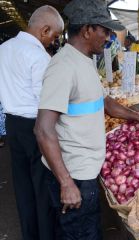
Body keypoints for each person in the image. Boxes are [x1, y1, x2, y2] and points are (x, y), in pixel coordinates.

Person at [34, 0, 139, 239]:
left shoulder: (83, 61)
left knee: (88, 231)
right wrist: (66, 183)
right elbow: (43, 130)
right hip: (74, 175)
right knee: (81, 234)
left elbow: (104, 102)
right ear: (87, 30)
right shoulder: (63, 67)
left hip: (85, 172)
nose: (109, 37)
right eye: (104, 30)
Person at [0, 5, 64, 240]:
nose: (53, 41)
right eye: (54, 36)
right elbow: (45, 101)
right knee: (43, 186)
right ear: (44, 29)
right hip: (37, 127)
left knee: (23, 186)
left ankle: (30, 234)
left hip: (13, 126)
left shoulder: (3, 49)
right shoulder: (39, 56)